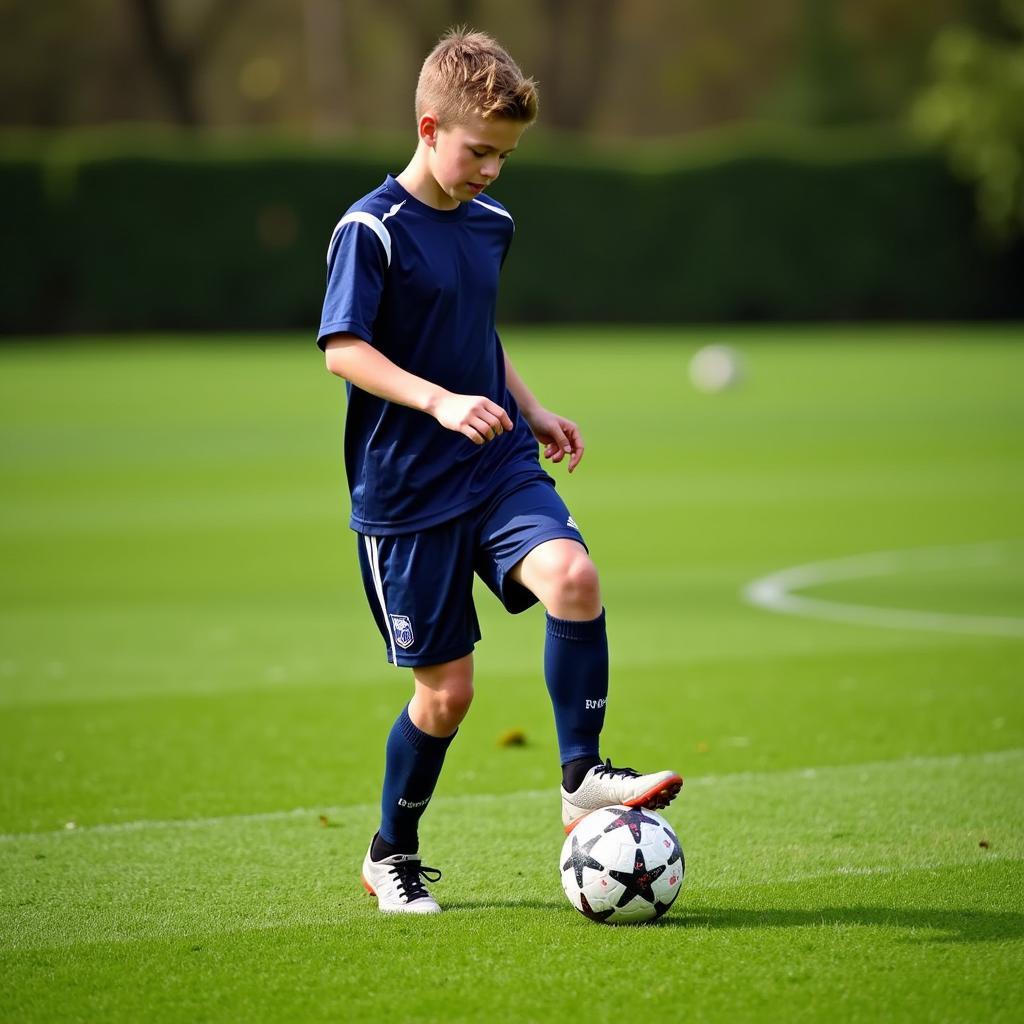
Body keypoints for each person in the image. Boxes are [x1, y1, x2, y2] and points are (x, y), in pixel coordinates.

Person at [317, 27, 681, 914]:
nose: (490, 170)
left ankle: (581, 776)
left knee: (574, 576)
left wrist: (529, 405)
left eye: (505, 156)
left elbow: (477, 333)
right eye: (479, 151)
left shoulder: (492, 224)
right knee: (447, 696)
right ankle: (389, 853)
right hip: (406, 494)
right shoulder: (372, 229)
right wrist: (440, 402)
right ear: (430, 126)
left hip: (495, 464)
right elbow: (344, 349)